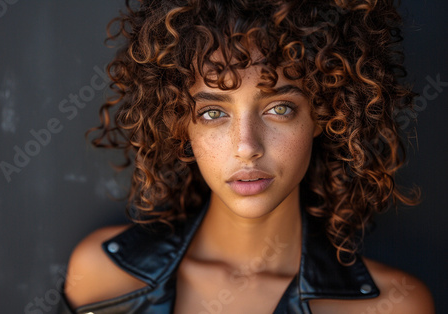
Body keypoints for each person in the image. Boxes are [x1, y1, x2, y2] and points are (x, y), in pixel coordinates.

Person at [58, 0, 435, 313]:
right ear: (180, 124)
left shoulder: (394, 305)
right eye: (212, 113)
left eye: (280, 109)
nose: (247, 146)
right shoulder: (103, 275)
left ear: (323, 114)